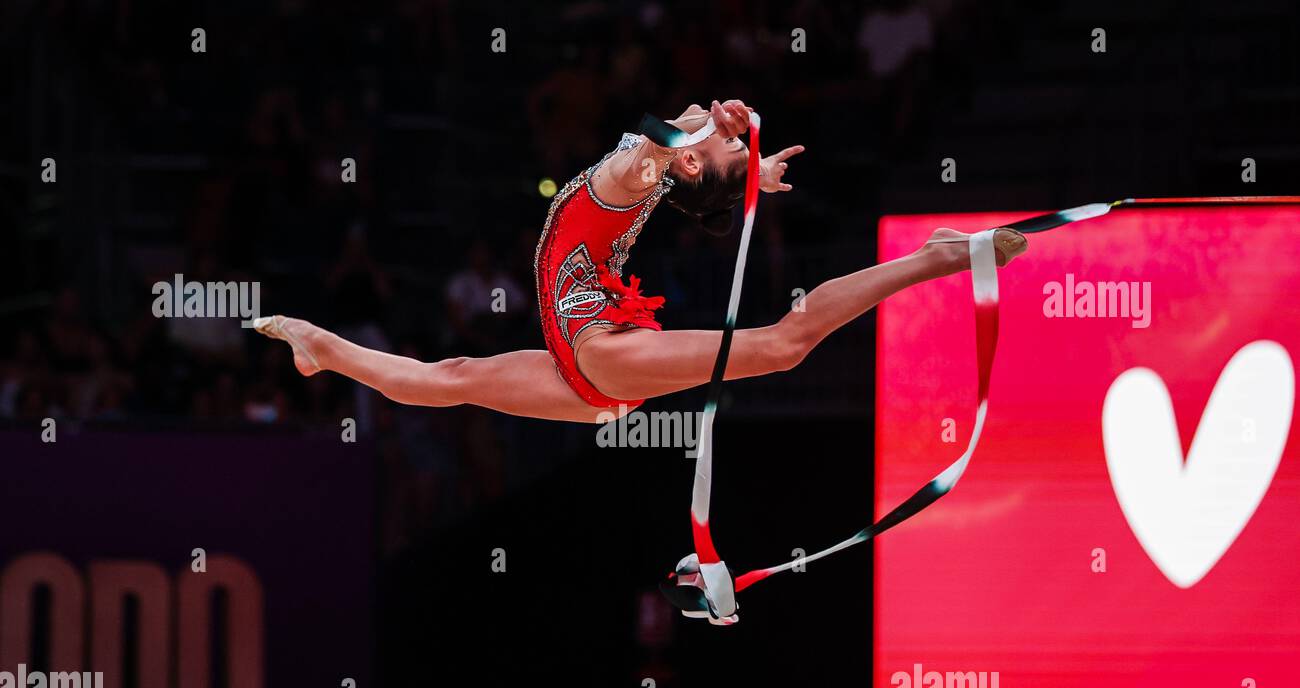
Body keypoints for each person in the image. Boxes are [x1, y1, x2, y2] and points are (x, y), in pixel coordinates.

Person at [254, 99, 1026, 423]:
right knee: (448, 378)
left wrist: (728, 150)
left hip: (594, 355)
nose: (717, 124)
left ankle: (932, 260)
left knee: (783, 345)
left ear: (689, 165)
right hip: (582, 361)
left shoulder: (641, 170)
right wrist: (736, 155)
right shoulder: (652, 169)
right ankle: (324, 348)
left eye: (714, 147)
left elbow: (664, 133)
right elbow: (679, 137)